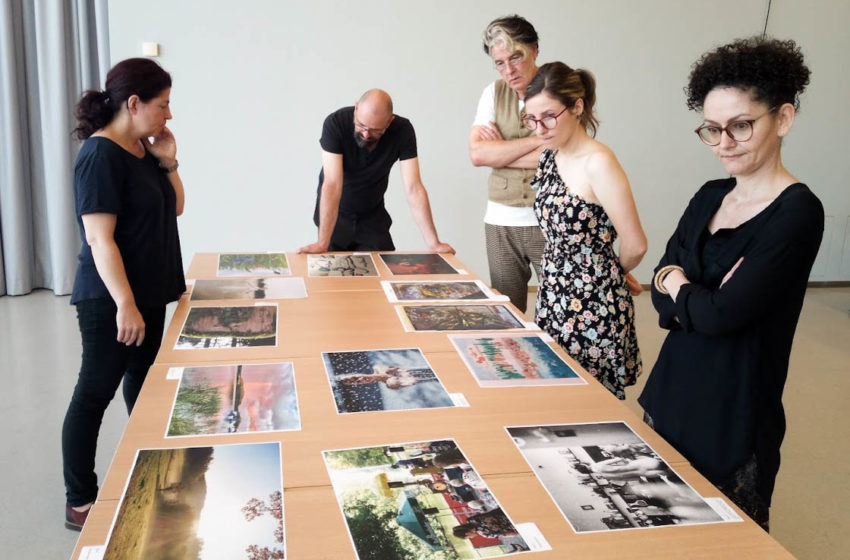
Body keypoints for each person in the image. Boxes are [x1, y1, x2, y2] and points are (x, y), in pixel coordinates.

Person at [638, 37, 823, 531]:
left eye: (741, 125)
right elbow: (661, 288)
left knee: (726, 537)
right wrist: (689, 292)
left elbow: (723, 314)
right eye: (713, 129)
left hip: (733, 414)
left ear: (782, 119)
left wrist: (681, 285)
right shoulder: (709, 194)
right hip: (670, 395)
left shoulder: (797, 212)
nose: (725, 142)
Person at [61, 58, 186, 530]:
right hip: (110, 300)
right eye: (163, 105)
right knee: (95, 393)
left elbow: (176, 206)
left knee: (142, 383)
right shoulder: (98, 156)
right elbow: (99, 239)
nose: (168, 115)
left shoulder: (140, 148)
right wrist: (125, 305)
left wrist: (169, 160)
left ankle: (145, 464)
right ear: (133, 103)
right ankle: (80, 500)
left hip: (147, 292)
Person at [524, 62, 647, 399]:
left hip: (592, 303)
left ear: (577, 106)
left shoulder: (599, 162)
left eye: (549, 115)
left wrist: (610, 272)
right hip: (554, 293)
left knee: (591, 403)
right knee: (555, 392)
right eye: (532, 119)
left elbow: (635, 244)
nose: (540, 128)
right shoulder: (551, 155)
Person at [298, 89, 453, 254]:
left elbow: (414, 188)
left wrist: (434, 243)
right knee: (333, 275)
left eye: (374, 130)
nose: (365, 134)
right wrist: (322, 243)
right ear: (356, 108)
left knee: (382, 272)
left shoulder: (403, 131)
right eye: (361, 125)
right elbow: (332, 184)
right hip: (336, 216)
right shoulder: (336, 123)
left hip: (372, 217)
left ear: (388, 122)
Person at [469, 15, 546, 312]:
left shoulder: (558, 88)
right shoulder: (493, 92)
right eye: (500, 63)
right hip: (500, 220)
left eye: (516, 57)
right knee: (507, 313)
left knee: (560, 312)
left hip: (548, 219)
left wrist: (501, 150)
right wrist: (538, 141)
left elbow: (563, 153)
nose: (509, 70)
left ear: (535, 50)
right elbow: (478, 154)